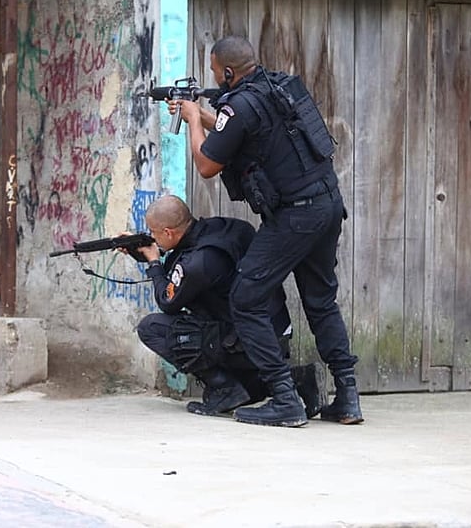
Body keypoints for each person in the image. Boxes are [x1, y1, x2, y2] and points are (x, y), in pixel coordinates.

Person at [170, 35, 363, 427]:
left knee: (245, 297)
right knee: (321, 301)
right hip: (326, 205)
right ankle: (347, 396)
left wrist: (193, 119)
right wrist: (204, 115)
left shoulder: (238, 106)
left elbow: (208, 164)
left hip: (295, 216)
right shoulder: (274, 87)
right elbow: (237, 132)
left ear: (227, 72)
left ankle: (284, 399)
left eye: (214, 72)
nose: (213, 78)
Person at [128, 195, 323, 418]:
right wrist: (142, 251)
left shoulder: (197, 263)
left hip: (247, 341)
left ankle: (224, 387)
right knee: (248, 390)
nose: (152, 237)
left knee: (152, 327)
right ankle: (299, 379)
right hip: (273, 333)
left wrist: (154, 263)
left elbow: (167, 301)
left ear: (169, 232)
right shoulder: (227, 228)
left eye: (154, 233)